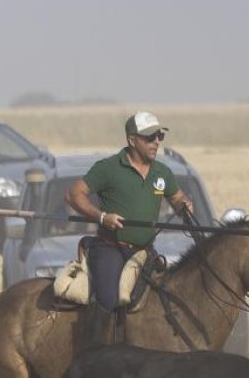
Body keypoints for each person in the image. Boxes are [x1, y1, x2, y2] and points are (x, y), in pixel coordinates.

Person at [65, 111, 194, 343]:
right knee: (108, 298)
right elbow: (74, 194)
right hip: (110, 249)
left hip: (145, 252)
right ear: (132, 140)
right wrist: (102, 217)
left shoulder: (162, 173)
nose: (156, 142)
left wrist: (184, 205)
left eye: (160, 136)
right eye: (150, 137)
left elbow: (177, 198)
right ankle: (96, 353)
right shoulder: (109, 168)